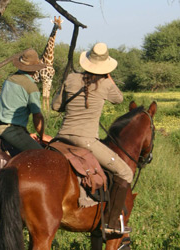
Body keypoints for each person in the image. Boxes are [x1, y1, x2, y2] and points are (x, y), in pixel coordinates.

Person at [52, 42, 133, 234]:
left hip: (61, 138)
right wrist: (109, 78)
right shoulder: (105, 84)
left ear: (87, 61)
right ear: (105, 66)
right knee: (125, 173)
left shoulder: (71, 78)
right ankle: (112, 224)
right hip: (86, 140)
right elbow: (119, 99)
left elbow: (56, 106)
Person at [0, 48, 52, 152]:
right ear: (35, 68)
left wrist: (27, 134)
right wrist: (42, 135)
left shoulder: (9, 78)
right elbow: (37, 116)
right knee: (42, 156)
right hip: (11, 131)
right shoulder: (31, 87)